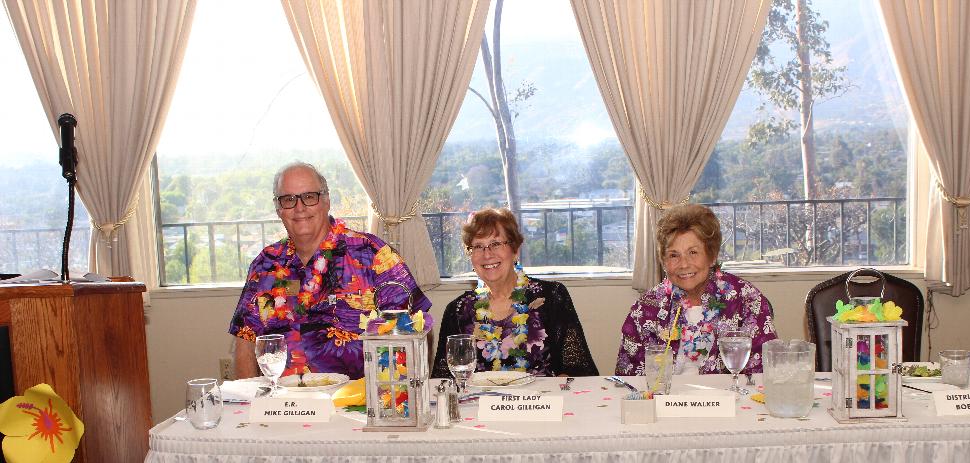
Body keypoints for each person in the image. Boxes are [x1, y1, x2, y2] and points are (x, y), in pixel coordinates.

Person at [230, 161, 430, 379]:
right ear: (278, 209)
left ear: (326, 201)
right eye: (288, 199)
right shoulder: (265, 265)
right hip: (284, 398)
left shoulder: (373, 255)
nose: (299, 208)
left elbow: (418, 328)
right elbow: (245, 341)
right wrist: (248, 398)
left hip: (359, 397)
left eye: (309, 197)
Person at [431, 208, 598, 378]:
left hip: (542, 395)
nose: (487, 254)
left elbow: (581, 371)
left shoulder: (551, 296)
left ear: (515, 250)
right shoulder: (458, 311)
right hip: (479, 397)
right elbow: (443, 381)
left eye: (496, 244)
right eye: (478, 246)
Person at [616, 204, 776, 376]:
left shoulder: (746, 299)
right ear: (663, 262)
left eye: (693, 252)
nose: (684, 264)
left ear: (712, 256)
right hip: (665, 394)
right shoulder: (646, 308)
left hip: (728, 393)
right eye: (674, 255)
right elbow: (629, 377)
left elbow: (764, 372)